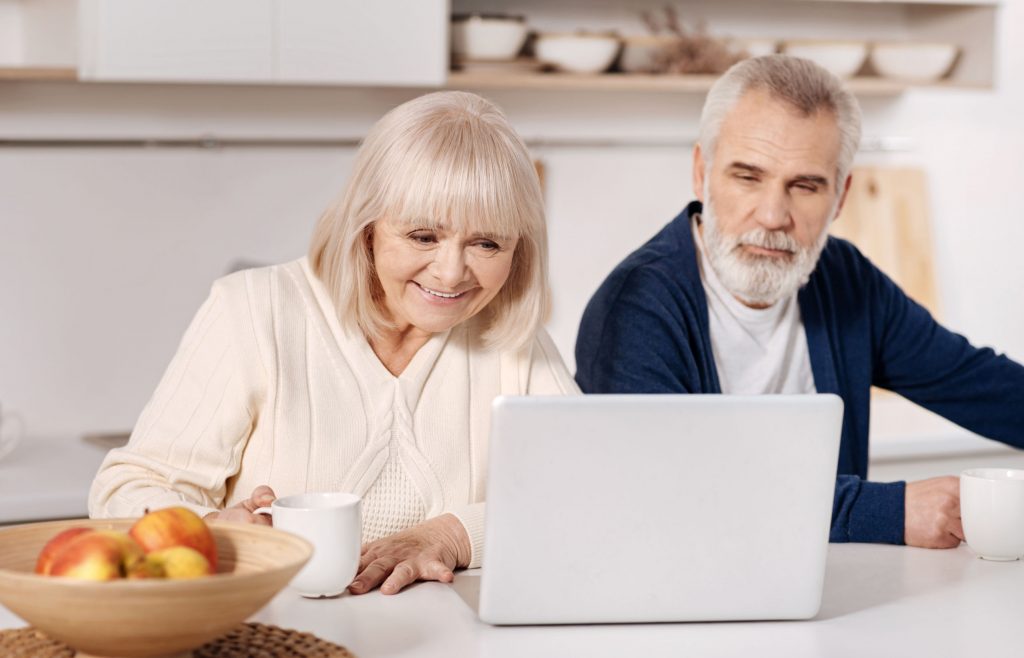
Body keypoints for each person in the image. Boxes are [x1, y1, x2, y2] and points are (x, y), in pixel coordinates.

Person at [89, 91, 578, 594]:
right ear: (366, 227)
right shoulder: (255, 309)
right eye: (423, 236)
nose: (452, 273)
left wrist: (455, 535)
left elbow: (592, 493)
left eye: (486, 244)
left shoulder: (516, 343)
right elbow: (125, 490)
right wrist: (213, 528)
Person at [575, 55, 1024, 549]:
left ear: (840, 196)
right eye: (747, 177)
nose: (772, 215)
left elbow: (980, 385)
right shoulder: (636, 307)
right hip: (683, 603)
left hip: (832, 600)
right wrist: (888, 512)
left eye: (804, 186)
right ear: (702, 172)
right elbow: (672, 493)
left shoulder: (845, 279)